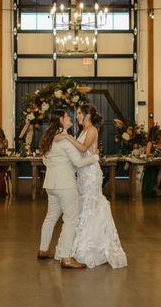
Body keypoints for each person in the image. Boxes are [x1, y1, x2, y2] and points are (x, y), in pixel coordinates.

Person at [58, 104, 127, 269]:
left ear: (88, 115)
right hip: (82, 172)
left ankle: (90, 247)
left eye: (80, 113)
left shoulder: (92, 130)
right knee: (82, 207)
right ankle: (75, 245)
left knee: (91, 205)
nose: (77, 117)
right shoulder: (82, 131)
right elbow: (79, 153)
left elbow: (83, 148)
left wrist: (67, 137)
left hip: (90, 174)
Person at [37, 109, 99, 269]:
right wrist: (95, 158)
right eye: (66, 116)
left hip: (51, 184)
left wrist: (58, 164)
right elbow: (78, 163)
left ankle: (43, 250)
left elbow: (44, 160)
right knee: (71, 219)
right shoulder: (64, 140)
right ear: (60, 120)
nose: (70, 118)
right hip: (65, 185)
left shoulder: (50, 139)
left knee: (50, 217)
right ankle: (66, 258)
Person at [142, 128, 161, 197]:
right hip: (150, 163)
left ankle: (157, 187)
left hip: (159, 162)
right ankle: (151, 188)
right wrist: (154, 154)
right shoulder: (150, 143)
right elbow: (147, 153)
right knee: (155, 168)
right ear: (158, 137)